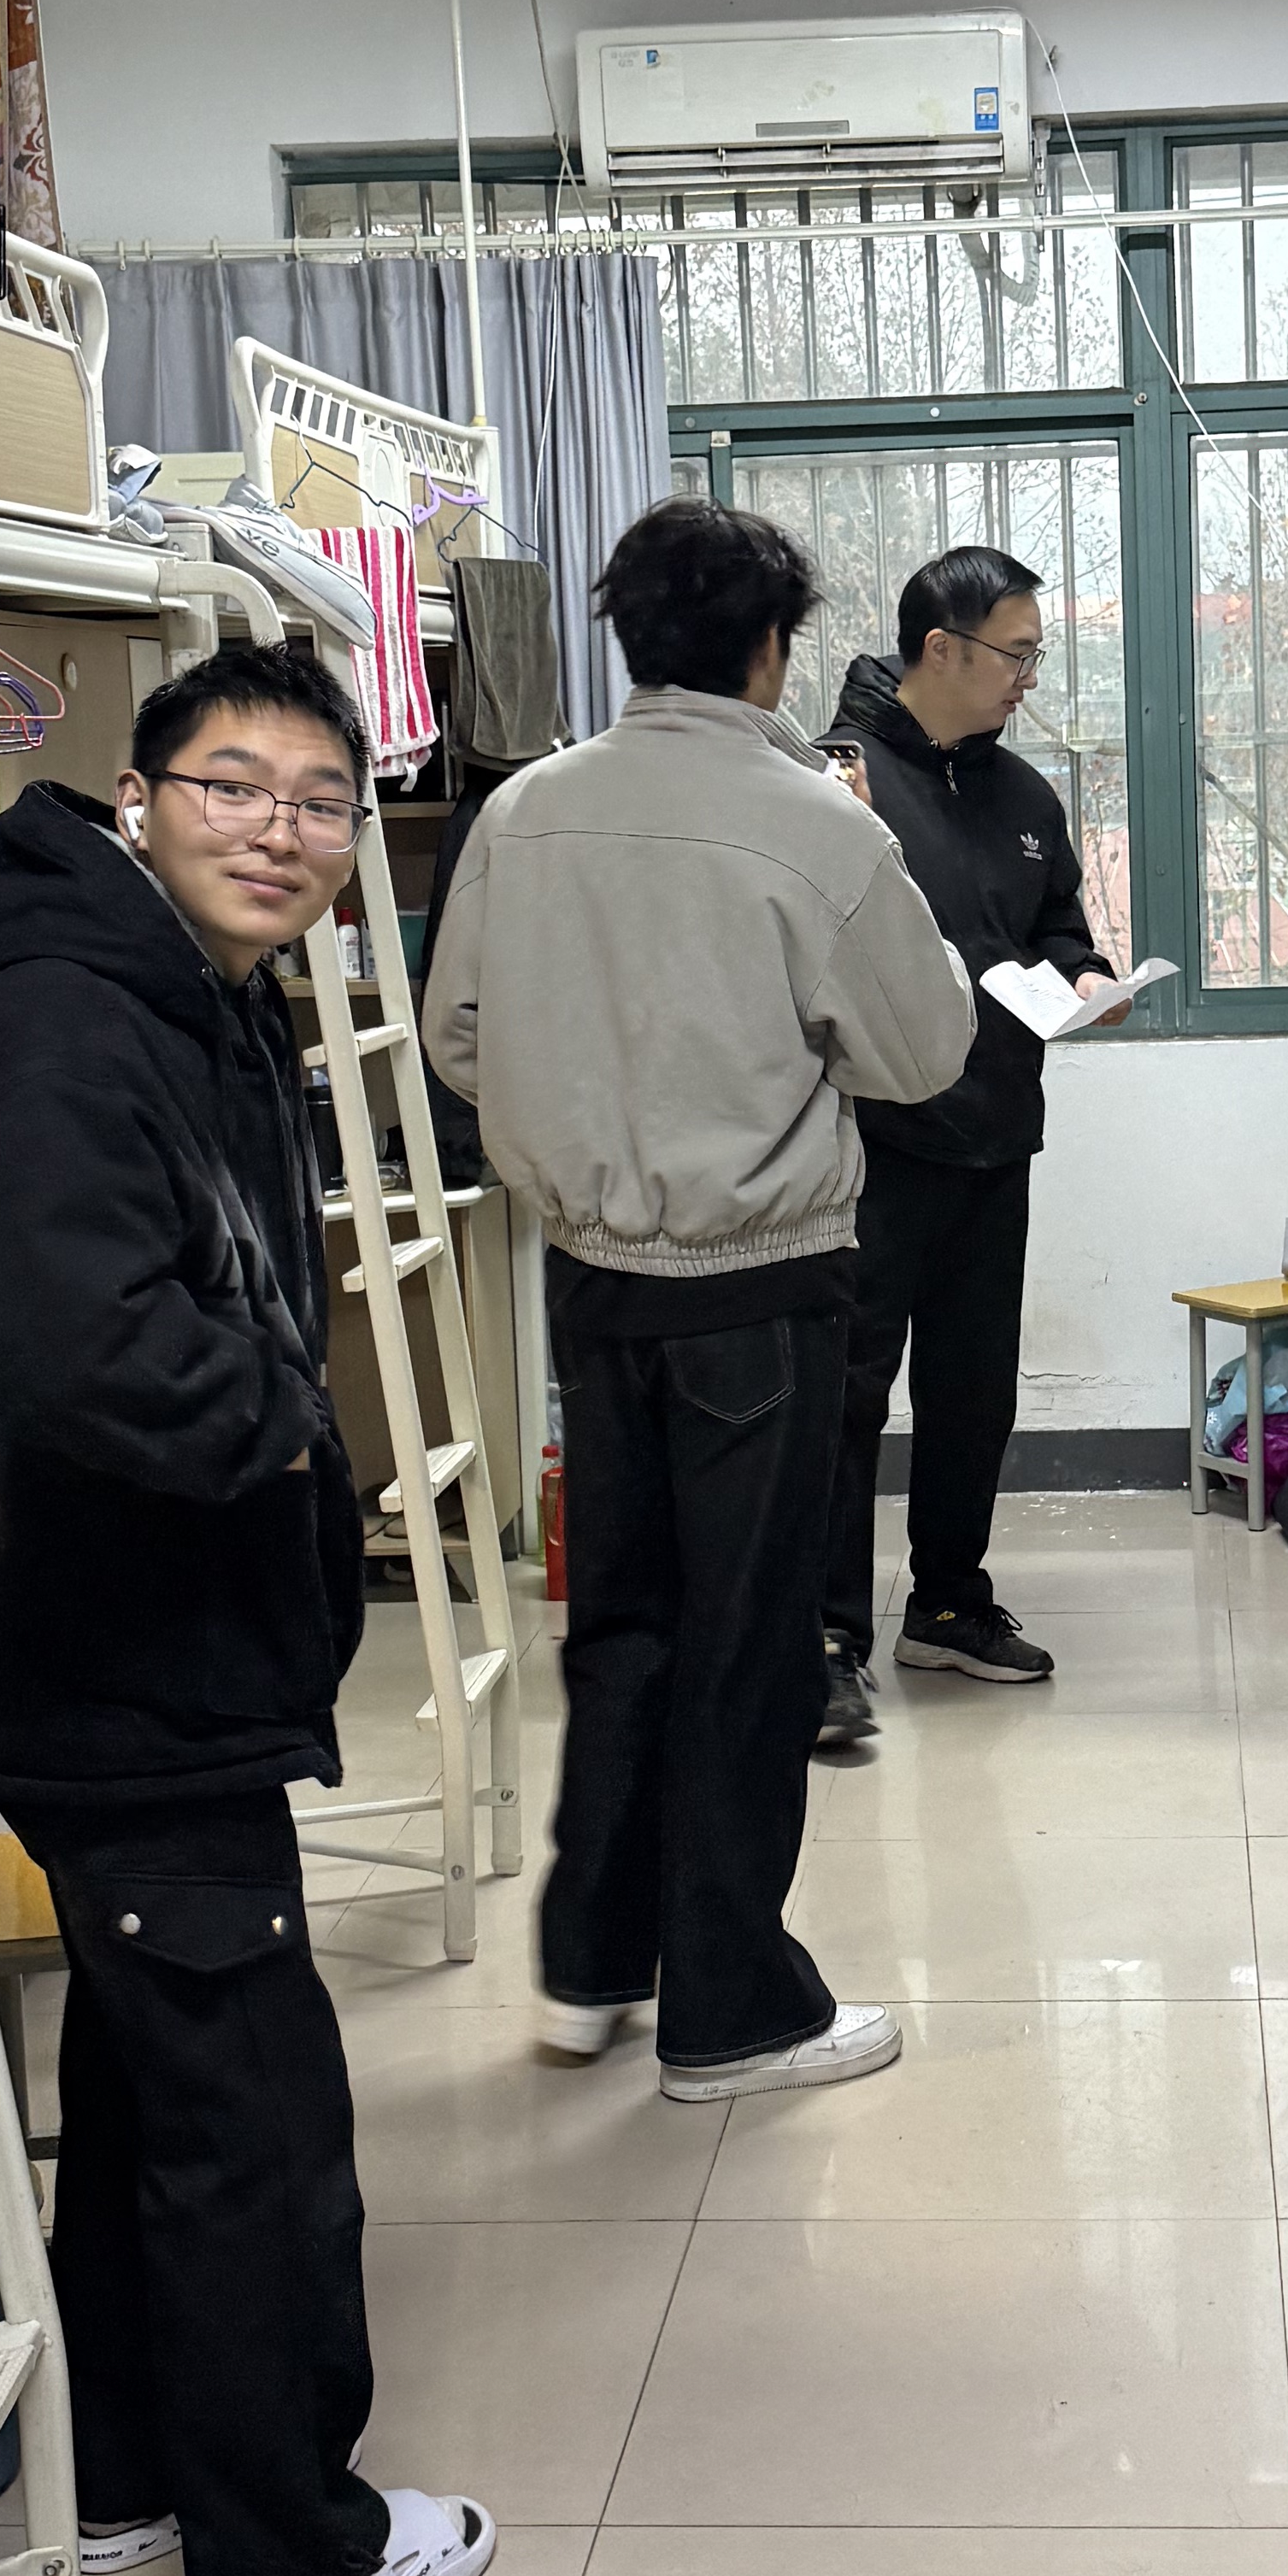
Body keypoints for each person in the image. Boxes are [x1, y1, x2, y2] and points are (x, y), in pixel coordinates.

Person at [0, 633, 491, 2576]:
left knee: (150, 2075)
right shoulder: (78, 1015)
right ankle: (283, 2566)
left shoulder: (186, 992)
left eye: (322, 802)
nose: (281, 831)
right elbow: (71, 1343)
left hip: (134, 1643)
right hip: (123, 1648)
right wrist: (283, 1436)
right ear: (138, 800)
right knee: (253, 2117)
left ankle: (129, 2474)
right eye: (231, 786)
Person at [425, 496, 973, 2098]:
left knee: (622, 1628)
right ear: (770, 647)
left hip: (592, 1282)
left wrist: (586, 1106)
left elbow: (457, 1039)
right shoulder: (817, 822)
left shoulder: (523, 810)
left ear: (626, 638)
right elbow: (923, 1053)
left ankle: (591, 1965)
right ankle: (733, 2012)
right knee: (745, 1648)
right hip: (758, 1284)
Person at [815, 543, 1109, 1744]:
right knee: (844, 1396)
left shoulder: (1025, 799)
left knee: (973, 1393)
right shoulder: (834, 783)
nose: (1029, 678)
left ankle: (946, 1602)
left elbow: (1060, 929)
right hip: (866, 1147)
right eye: (1015, 655)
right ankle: (824, 1639)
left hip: (994, 1135)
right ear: (940, 648)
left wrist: (1088, 979)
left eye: (1036, 655)